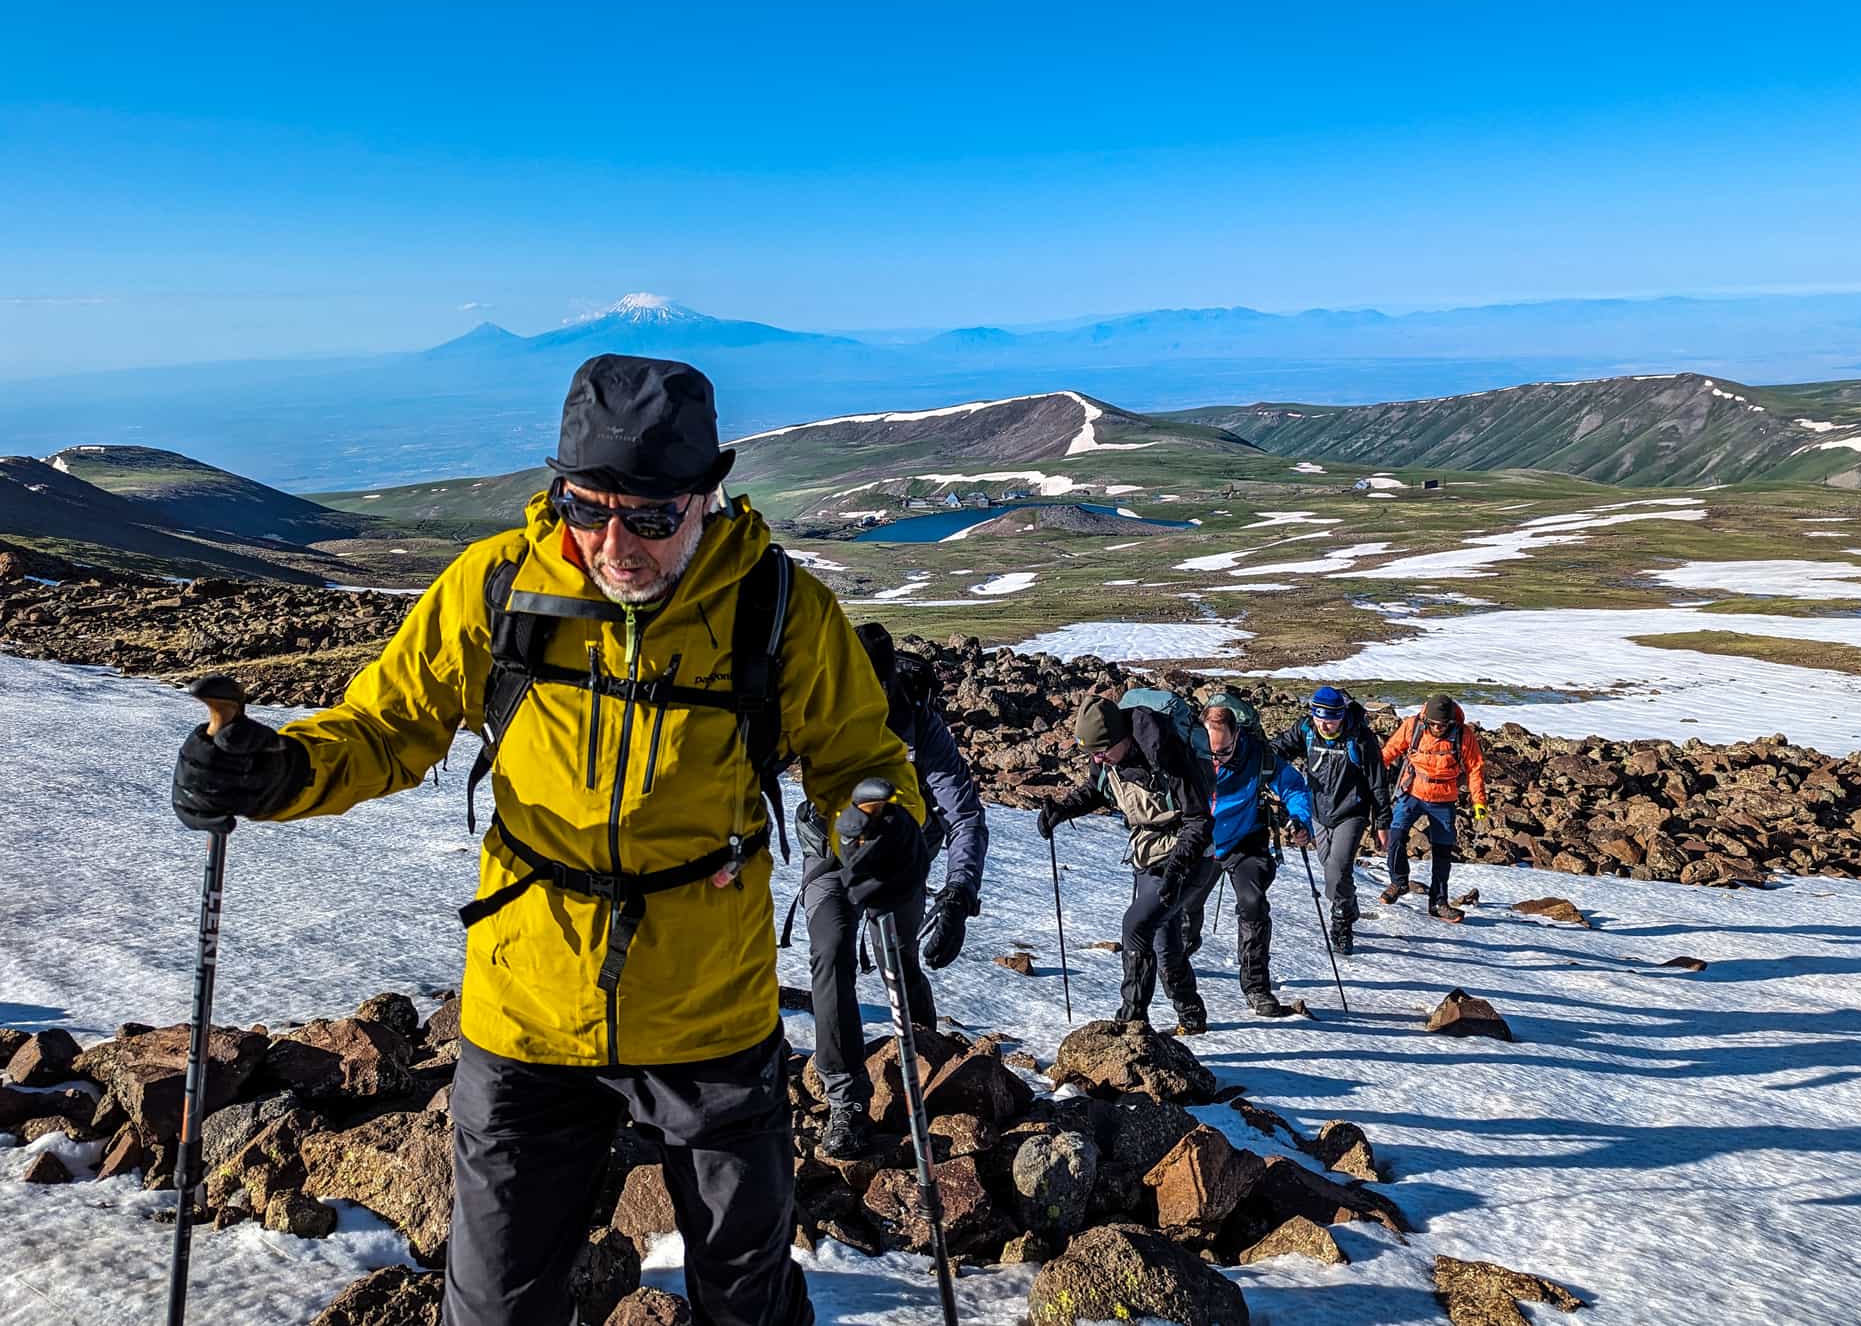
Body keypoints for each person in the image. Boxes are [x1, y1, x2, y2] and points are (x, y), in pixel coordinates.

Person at [170, 354, 927, 1326]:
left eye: (650, 517)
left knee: (747, 1304)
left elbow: (856, 755)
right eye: (585, 507)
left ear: (708, 499)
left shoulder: (778, 608)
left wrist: (879, 821)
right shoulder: (494, 588)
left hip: (709, 1013)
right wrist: (277, 773)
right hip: (528, 1010)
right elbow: (385, 726)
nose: (615, 542)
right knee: (492, 1310)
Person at [798, 622, 989, 1157]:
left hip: (897, 860)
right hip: (831, 855)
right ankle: (846, 1101)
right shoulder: (819, 703)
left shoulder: (919, 724)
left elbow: (964, 815)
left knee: (898, 960)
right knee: (831, 950)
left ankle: (924, 1066)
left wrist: (958, 894)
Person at [1037, 694, 1213, 1034]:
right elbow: (1098, 790)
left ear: (1123, 737)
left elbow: (1198, 820)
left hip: (1188, 856)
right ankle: (1191, 1014)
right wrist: (1062, 810)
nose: (1099, 759)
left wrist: (1177, 870)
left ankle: (1132, 1019)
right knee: (1163, 938)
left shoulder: (1166, 754)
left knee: (1136, 925)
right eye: (1092, 754)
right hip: (1148, 854)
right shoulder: (1106, 760)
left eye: (1102, 751)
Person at [1180, 693, 1315, 1019]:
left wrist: (1300, 818)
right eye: (1210, 752)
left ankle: (1256, 987)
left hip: (1244, 841)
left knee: (1253, 903)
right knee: (1185, 904)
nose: (1217, 760)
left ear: (1237, 735)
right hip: (1200, 842)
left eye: (1224, 751)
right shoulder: (1185, 753)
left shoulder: (1258, 756)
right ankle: (1178, 956)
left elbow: (1294, 786)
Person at [1279, 685, 1392, 955]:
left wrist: (1382, 823)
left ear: (1341, 715)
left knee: (1337, 869)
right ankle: (1348, 903)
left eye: (1330, 718)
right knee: (1330, 867)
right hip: (1318, 812)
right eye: (1319, 717)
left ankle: (1341, 925)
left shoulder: (1360, 738)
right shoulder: (1306, 730)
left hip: (1351, 813)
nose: (1324, 724)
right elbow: (1278, 749)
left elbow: (1378, 783)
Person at [1379, 692, 1488, 922]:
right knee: (1395, 835)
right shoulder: (1412, 726)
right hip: (1412, 792)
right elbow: (1389, 752)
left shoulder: (1463, 735)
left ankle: (1438, 902)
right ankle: (1399, 882)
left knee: (1442, 853)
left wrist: (1479, 802)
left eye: (1443, 724)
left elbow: (1475, 768)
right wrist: (1371, 779)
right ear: (1426, 719)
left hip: (1444, 798)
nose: (1438, 728)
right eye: (1433, 724)